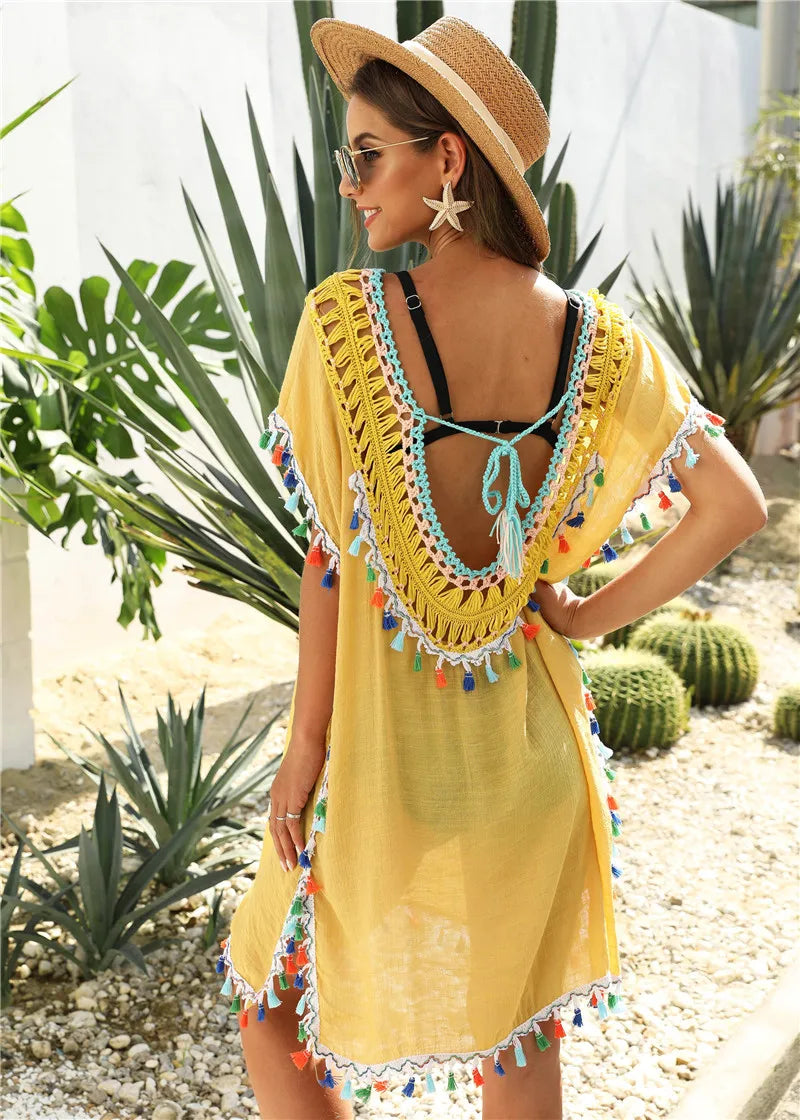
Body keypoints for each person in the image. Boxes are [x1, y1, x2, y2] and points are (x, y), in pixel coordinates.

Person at [214, 15, 768, 1119]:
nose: (348, 185)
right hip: (527, 757)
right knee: (515, 1046)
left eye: (367, 155)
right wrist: (584, 617)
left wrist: (305, 748)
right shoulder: (601, 341)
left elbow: (330, 558)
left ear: (448, 159)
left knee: (269, 1008)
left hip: (381, 759)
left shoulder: (345, 325)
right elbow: (734, 504)